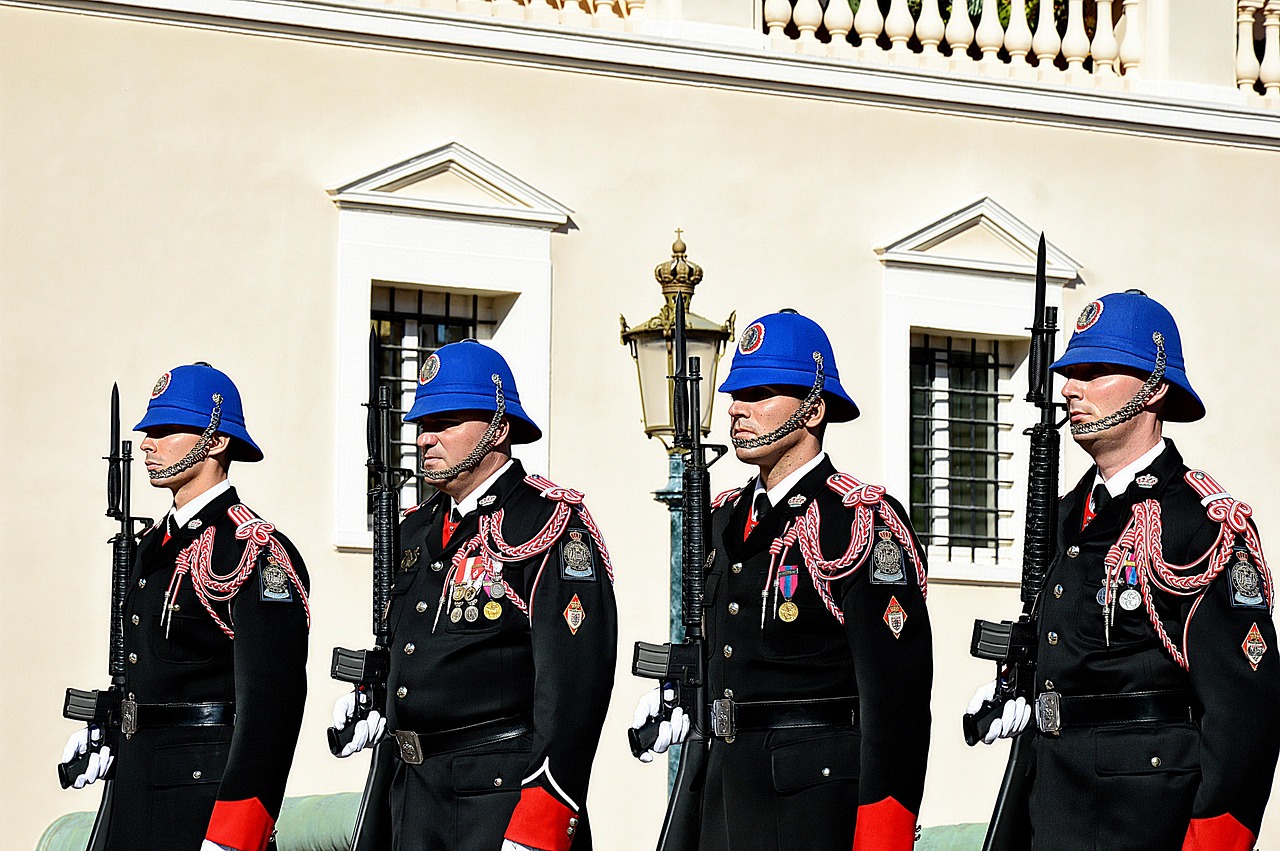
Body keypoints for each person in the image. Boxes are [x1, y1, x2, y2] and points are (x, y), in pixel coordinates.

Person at [968, 290, 1280, 850]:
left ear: (1154, 389)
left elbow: (1244, 716)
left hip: (1144, 819)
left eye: (1096, 371)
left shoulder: (1200, 523)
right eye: (1069, 373)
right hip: (1052, 805)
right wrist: (1016, 686)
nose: (1070, 389)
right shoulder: (1065, 515)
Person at [631, 311, 933, 851]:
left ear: (813, 410)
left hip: (809, 805)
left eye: (761, 393)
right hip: (721, 791)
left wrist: (884, 833)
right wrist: (677, 694)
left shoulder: (860, 518)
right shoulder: (725, 518)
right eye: (736, 393)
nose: (735, 408)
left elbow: (896, 699)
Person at [332, 339, 618, 851]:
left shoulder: (547, 522)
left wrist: (543, 819)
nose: (424, 439)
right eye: (422, 424)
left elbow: (575, 687)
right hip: (411, 801)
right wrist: (372, 700)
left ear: (498, 429)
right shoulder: (416, 529)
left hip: (498, 805)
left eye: (444, 423)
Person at [59, 363, 311, 851]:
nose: (146, 443)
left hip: (203, 808)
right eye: (147, 431)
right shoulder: (153, 545)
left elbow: (271, 708)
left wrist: (238, 831)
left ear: (215, 441)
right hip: (135, 800)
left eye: (164, 430)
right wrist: (110, 728)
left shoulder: (253, 549)